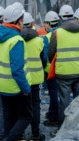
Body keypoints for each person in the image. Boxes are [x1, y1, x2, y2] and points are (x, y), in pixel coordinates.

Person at [0, 4, 32, 140]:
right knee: (26, 116)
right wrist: (26, 88)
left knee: (9, 118)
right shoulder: (16, 40)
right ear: (19, 21)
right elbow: (17, 70)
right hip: (15, 87)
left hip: (1, 85)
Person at [47, 4, 79, 126]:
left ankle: (61, 130)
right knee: (78, 102)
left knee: (64, 102)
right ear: (73, 16)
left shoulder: (57, 33)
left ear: (60, 17)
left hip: (63, 73)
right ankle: (77, 127)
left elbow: (51, 53)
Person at [22, 12, 46, 141]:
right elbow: (43, 60)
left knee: (20, 106)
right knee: (35, 106)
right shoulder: (39, 41)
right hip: (36, 79)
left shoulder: (17, 39)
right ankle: (35, 134)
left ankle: (20, 135)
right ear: (31, 24)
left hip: (21, 79)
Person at [41, 11, 60, 127]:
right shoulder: (62, 33)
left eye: (45, 24)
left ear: (48, 23)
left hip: (50, 71)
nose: (44, 26)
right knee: (58, 94)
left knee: (53, 95)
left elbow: (45, 56)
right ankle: (52, 112)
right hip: (62, 69)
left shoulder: (47, 37)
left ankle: (55, 118)